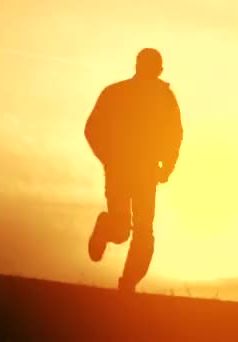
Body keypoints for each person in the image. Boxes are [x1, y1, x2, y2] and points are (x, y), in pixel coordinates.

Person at [84, 48, 183, 293]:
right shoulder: (115, 93)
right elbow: (92, 129)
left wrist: (166, 167)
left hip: (146, 174)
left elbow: (175, 134)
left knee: (143, 233)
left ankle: (128, 284)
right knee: (120, 231)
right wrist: (109, 159)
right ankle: (106, 226)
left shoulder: (165, 98)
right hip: (120, 171)